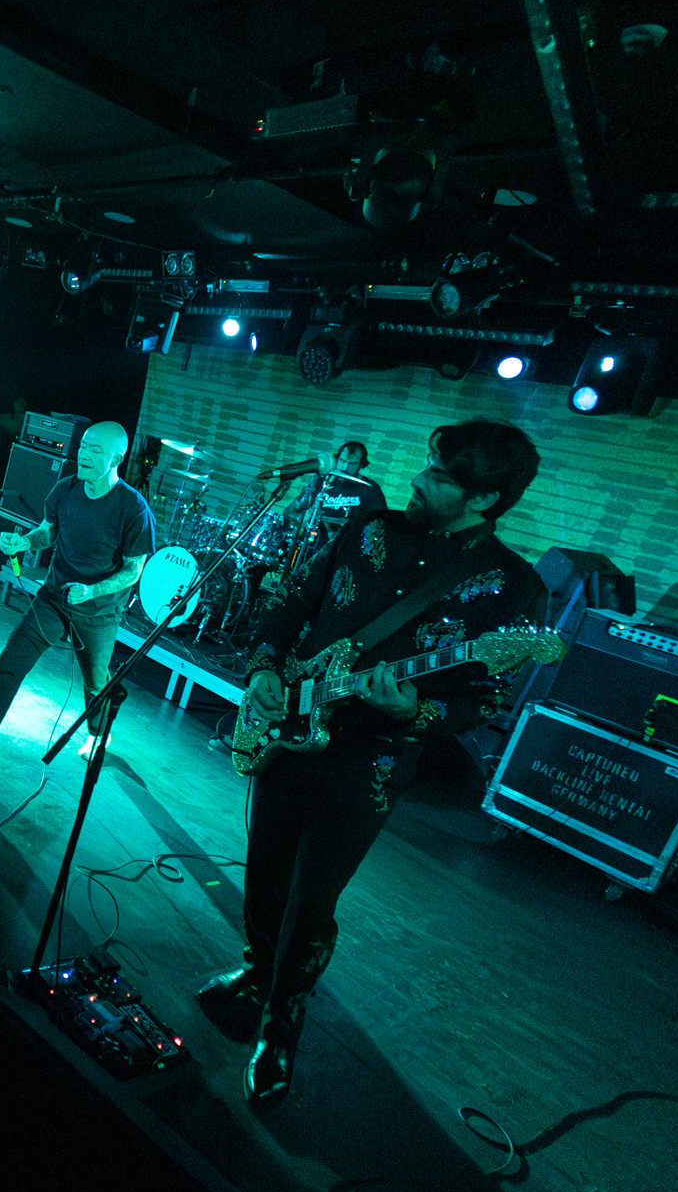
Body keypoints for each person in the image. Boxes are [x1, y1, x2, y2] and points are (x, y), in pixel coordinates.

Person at [197, 419, 546, 1110]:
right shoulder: (368, 529)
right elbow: (292, 599)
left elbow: (487, 699)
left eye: (438, 476)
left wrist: (416, 708)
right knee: (265, 867)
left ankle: (282, 1022)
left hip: (371, 760)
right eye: (427, 465)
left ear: (484, 498)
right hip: (291, 724)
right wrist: (265, 666)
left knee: (313, 896)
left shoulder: (513, 587)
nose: (417, 480)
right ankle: (258, 971)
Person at [0, 421, 154, 781]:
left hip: (98, 612)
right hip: (54, 599)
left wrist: (91, 591)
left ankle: (97, 734)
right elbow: (48, 532)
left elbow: (134, 570)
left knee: (96, 682)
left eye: (95, 450)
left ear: (116, 458)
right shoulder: (66, 489)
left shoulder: (133, 509)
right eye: (83, 445)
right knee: (11, 662)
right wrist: (24, 542)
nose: (84, 453)